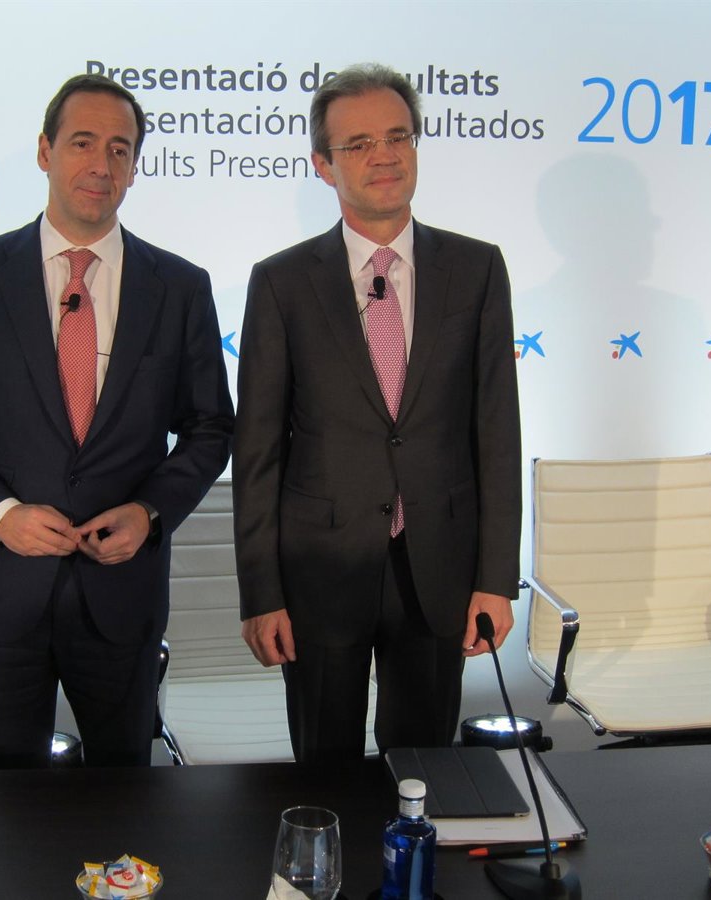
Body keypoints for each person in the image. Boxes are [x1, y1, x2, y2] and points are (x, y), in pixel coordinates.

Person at [0, 73, 233, 769]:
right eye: (83, 143)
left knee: (124, 801)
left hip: (122, 598)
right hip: (5, 594)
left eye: (120, 149)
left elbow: (210, 427)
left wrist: (149, 512)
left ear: (135, 167)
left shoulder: (179, 287)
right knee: (8, 805)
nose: (101, 164)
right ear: (45, 151)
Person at [233, 64, 520, 763]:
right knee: (324, 773)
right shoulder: (281, 282)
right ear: (323, 165)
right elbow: (259, 450)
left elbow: (496, 432)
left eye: (397, 136)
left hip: (440, 568)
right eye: (358, 144)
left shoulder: (477, 269)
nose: (384, 155)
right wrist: (261, 593)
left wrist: (495, 578)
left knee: (425, 770)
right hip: (318, 573)